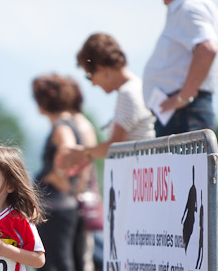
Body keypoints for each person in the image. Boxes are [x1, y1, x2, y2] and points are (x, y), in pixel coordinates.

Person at [143, 0, 218, 137]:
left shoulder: (188, 6)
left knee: (181, 158)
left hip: (184, 115)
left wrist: (184, 96)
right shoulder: (202, 5)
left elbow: (208, 49)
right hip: (189, 110)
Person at [32, 74, 96, 271]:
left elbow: (67, 148)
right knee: (61, 267)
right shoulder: (72, 122)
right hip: (63, 204)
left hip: (55, 205)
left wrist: (58, 175)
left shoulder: (61, 126)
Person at [56, 33, 155, 169]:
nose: (93, 83)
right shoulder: (137, 87)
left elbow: (116, 145)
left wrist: (83, 153)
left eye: (89, 76)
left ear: (102, 69)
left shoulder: (127, 93)